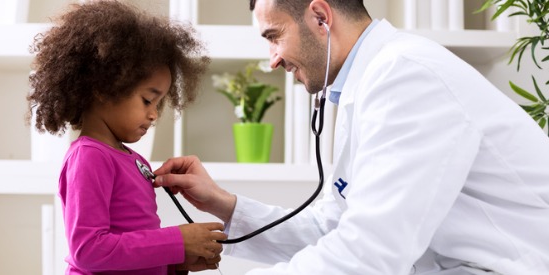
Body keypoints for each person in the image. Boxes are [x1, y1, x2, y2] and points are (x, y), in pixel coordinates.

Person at [153, 0, 549, 274]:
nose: (273, 59)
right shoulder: (365, 83)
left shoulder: (407, 76)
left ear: (320, 16)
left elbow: (371, 252)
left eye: (274, 36)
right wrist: (226, 206)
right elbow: (336, 227)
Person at [26, 1, 227, 274]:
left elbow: (128, 251)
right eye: (147, 100)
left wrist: (174, 263)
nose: (154, 115)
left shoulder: (132, 159)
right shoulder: (89, 157)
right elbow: (89, 250)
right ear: (103, 88)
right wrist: (177, 240)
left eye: (158, 104)